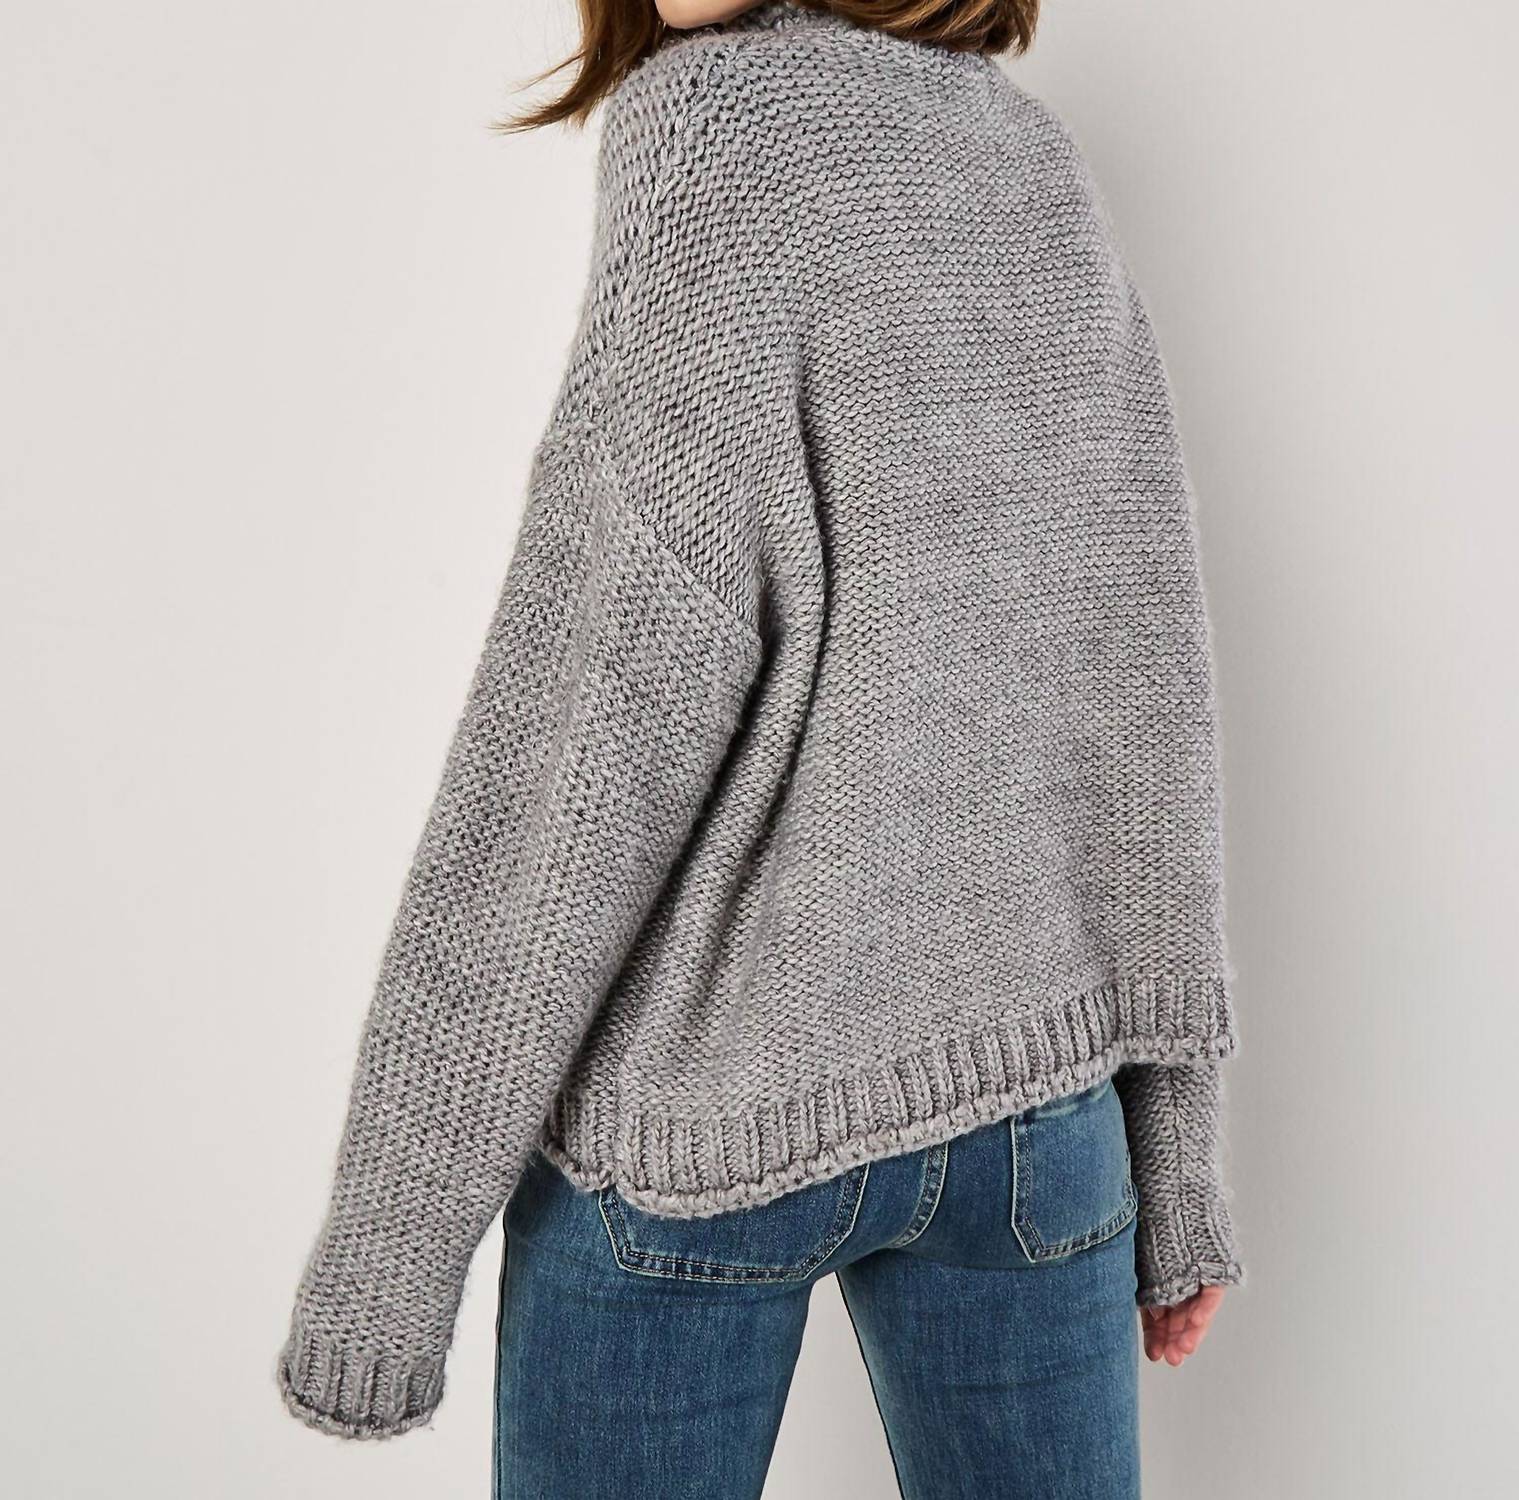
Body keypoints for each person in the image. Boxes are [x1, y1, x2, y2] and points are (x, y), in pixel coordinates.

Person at [277, 3, 1243, 1495]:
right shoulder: (1031, 157)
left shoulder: (715, 131)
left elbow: (588, 718)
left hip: (700, 1126)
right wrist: (1175, 1159)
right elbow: (1135, 684)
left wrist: (389, 1252)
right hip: (1040, 1124)